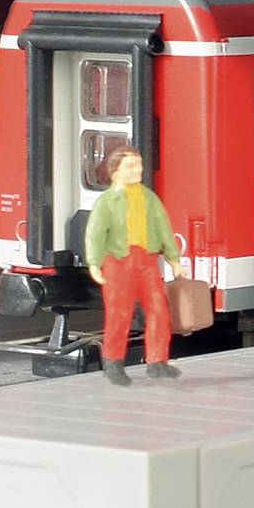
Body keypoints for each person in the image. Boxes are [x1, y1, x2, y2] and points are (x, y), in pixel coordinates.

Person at [84, 147, 180, 384]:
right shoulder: (107, 202)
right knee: (120, 313)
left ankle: (158, 361)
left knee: (158, 310)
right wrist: (94, 263)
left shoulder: (148, 198)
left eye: (139, 165)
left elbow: (163, 228)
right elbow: (95, 233)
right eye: (130, 166)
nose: (137, 170)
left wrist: (173, 258)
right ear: (115, 172)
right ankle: (113, 363)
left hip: (146, 261)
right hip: (118, 261)